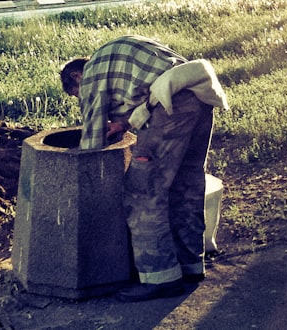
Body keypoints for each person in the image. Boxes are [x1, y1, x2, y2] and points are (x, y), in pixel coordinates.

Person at [60, 35, 228, 302]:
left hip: (172, 111)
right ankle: (191, 266)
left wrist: (76, 170)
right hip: (200, 99)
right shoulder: (114, 54)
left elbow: (92, 139)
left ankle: (160, 277)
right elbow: (151, 92)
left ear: (76, 77)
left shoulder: (90, 74)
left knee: (142, 193)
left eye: (75, 95)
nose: (79, 97)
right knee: (185, 184)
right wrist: (123, 124)